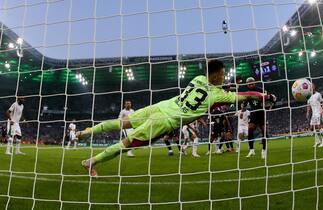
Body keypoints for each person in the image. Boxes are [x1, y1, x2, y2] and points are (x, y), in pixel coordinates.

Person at [77, 59, 275, 177]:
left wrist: (225, 87)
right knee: (126, 143)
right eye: (222, 74)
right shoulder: (217, 95)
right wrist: (265, 96)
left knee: (122, 123)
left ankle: (88, 131)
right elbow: (245, 95)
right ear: (215, 76)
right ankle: (91, 162)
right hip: (165, 121)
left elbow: (211, 89)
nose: (223, 77)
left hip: (161, 106)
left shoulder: (197, 78)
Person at [244, 77, 275, 159]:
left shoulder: (260, 90)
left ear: (255, 83)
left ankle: (264, 150)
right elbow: (244, 103)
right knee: (250, 130)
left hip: (261, 113)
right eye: (249, 84)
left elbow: (269, 98)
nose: (250, 85)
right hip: (253, 113)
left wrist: (272, 99)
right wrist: (243, 107)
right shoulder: (247, 93)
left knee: (264, 132)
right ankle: (251, 150)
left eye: (252, 83)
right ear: (247, 85)